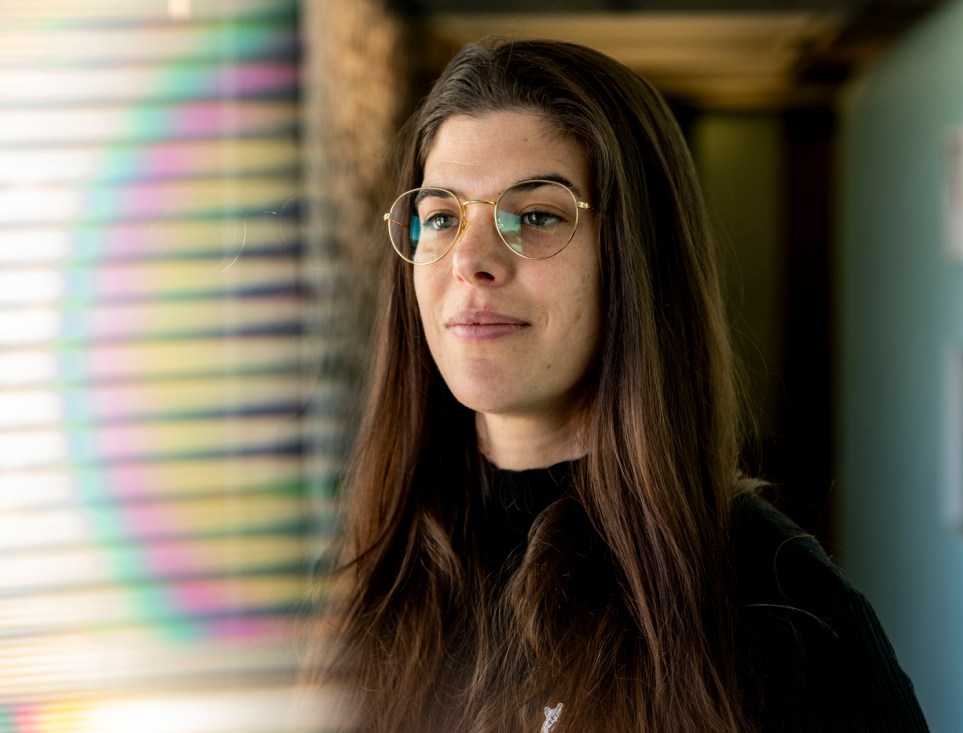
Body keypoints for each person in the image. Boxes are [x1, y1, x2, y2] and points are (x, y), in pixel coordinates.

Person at [307, 37, 930, 733]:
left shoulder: (789, 611)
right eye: (444, 217)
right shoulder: (374, 574)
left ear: (634, 258)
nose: (470, 262)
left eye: (536, 215)